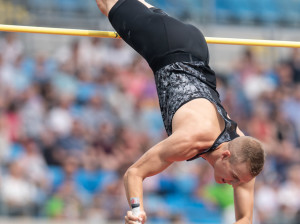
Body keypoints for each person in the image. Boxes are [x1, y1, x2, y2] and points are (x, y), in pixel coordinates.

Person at [95, 0, 266, 223]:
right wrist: (137, 210)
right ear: (225, 155)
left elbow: (244, 218)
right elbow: (134, 173)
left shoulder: (243, 158)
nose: (234, 184)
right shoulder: (190, 140)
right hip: (166, 47)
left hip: (193, 47)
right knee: (105, 4)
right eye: (233, 178)